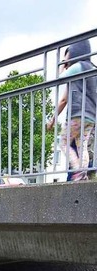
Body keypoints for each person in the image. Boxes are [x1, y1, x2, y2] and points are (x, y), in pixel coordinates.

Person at [47, 41, 97, 181]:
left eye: (67, 57)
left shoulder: (78, 67)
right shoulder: (92, 69)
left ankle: (78, 171)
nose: (66, 60)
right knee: (82, 147)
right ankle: (83, 175)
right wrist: (53, 119)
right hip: (91, 117)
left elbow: (59, 78)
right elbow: (64, 100)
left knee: (63, 142)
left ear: (75, 53)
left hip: (77, 115)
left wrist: (63, 66)